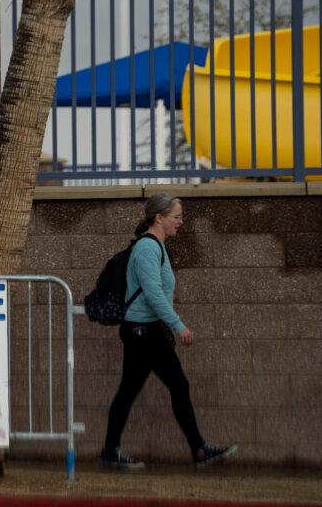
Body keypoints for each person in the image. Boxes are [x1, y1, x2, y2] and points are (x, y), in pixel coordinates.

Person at [100, 193, 237, 470]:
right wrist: (178, 325)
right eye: (176, 216)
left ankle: (114, 450)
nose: (181, 222)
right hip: (142, 331)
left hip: (145, 330)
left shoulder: (155, 246)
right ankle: (197, 450)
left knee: (140, 388)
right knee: (165, 386)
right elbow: (153, 293)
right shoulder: (148, 249)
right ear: (159, 218)